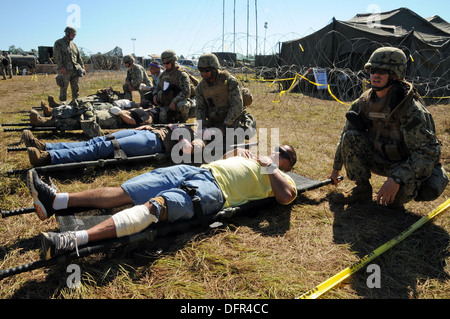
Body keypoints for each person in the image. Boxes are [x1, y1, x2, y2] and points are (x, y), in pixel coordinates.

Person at [27, 145, 298, 259]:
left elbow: (287, 198)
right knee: (127, 190)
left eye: (283, 153)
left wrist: (270, 167)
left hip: (213, 190)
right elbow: (223, 158)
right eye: (277, 148)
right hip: (198, 170)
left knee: (156, 207)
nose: (276, 151)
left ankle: (71, 241)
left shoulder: (281, 176)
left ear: (288, 163)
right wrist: (237, 152)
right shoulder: (255, 157)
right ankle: (56, 201)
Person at [329, 47, 446, 207]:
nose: (376, 75)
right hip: (378, 158)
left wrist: (397, 178)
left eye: (383, 71)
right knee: (350, 137)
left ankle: (399, 193)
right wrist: (336, 169)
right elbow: (345, 135)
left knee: (393, 204)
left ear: (396, 75)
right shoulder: (363, 103)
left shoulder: (410, 109)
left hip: (403, 164)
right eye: (373, 70)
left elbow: (428, 152)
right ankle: (362, 189)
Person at [23, 123, 194, 167]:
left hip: (154, 143)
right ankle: (46, 146)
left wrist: (182, 139)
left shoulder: (203, 137)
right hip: (150, 132)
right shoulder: (199, 122)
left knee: (101, 149)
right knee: (97, 140)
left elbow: (188, 149)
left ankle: (48, 158)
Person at [194, 53, 256, 150]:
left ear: (214, 69)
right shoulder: (200, 88)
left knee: (232, 138)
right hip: (215, 119)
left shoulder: (229, 81)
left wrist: (224, 126)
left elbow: (237, 106)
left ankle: (249, 123)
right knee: (207, 138)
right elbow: (200, 108)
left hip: (232, 119)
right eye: (201, 70)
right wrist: (202, 127)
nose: (203, 74)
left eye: (207, 70)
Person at [152, 50, 196, 123]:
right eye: (163, 63)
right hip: (167, 102)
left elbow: (186, 92)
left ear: (173, 61)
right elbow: (158, 87)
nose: (165, 65)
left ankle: (183, 123)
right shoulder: (163, 75)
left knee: (182, 106)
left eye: (167, 63)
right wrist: (155, 94)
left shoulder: (181, 74)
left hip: (182, 101)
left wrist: (174, 101)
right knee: (163, 119)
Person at [53, 26, 86, 102]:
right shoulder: (59, 43)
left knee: (75, 88)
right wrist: (61, 67)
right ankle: (63, 105)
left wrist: (83, 67)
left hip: (75, 70)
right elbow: (56, 56)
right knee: (63, 88)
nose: (74, 36)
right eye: (73, 34)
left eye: (74, 35)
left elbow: (79, 57)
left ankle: (75, 104)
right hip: (65, 70)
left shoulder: (73, 45)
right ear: (67, 33)